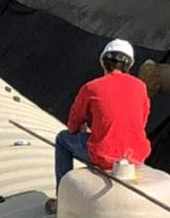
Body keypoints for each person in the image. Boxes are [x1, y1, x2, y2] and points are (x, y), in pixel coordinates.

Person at [55, 39, 152, 187]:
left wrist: (87, 129)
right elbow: (141, 123)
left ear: (103, 63)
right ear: (128, 65)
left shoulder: (91, 87)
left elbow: (73, 125)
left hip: (104, 155)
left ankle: (62, 195)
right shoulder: (141, 87)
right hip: (137, 156)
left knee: (62, 139)